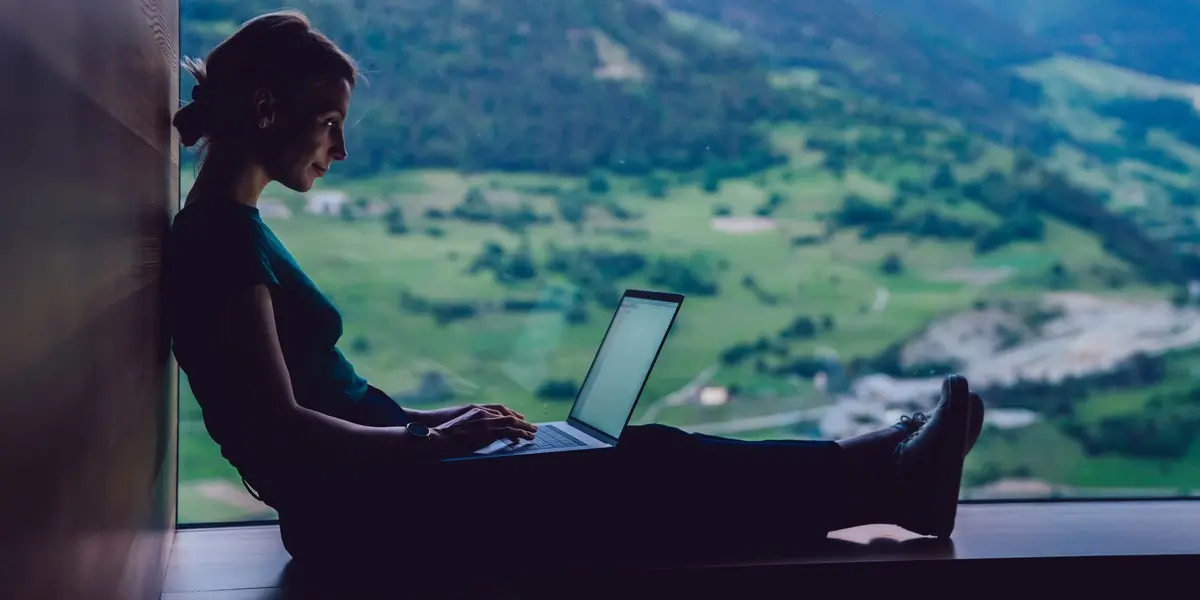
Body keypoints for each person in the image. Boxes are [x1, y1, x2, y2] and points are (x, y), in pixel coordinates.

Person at [166, 10, 987, 571]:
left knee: (636, 459)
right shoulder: (219, 240)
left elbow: (320, 402)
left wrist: (438, 423)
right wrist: (429, 445)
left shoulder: (232, 230)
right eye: (327, 120)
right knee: (647, 470)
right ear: (267, 108)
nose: (338, 148)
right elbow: (276, 425)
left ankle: (884, 459)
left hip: (387, 479)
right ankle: (887, 479)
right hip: (367, 510)